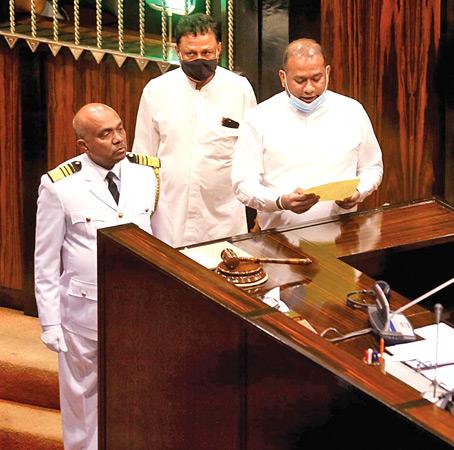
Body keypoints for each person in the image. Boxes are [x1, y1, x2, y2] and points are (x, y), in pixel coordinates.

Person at [34, 103, 159, 449]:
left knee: (137, 395)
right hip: (83, 313)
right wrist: (50, 323)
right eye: (106, 134)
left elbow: (157, 243)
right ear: (83, 144)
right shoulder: (60, 185)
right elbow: (45, 261)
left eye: (119, 128)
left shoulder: (146, 173)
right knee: (83, 404)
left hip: (137, 308)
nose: (119, 139)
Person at [231, 38, 383, 230]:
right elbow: (242, 184)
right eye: (300, 80)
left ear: (327, 72)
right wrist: (280, 201)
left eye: (316, 78)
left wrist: (358, 192)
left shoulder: (352, 111)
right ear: (282, 77)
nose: (309, 88)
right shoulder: (258, 118)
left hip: (344, 235)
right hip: (281, 239)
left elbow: (372, 167)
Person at [132, 13, 257, 247]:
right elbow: (143, 159)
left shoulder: (239, 89)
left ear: (219, 49)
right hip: (169, 216)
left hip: (223, 216)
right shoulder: (156, 91)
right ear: (177, 51)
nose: (199, 59)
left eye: (207, 53)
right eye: (191, 53)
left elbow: (252, 154)